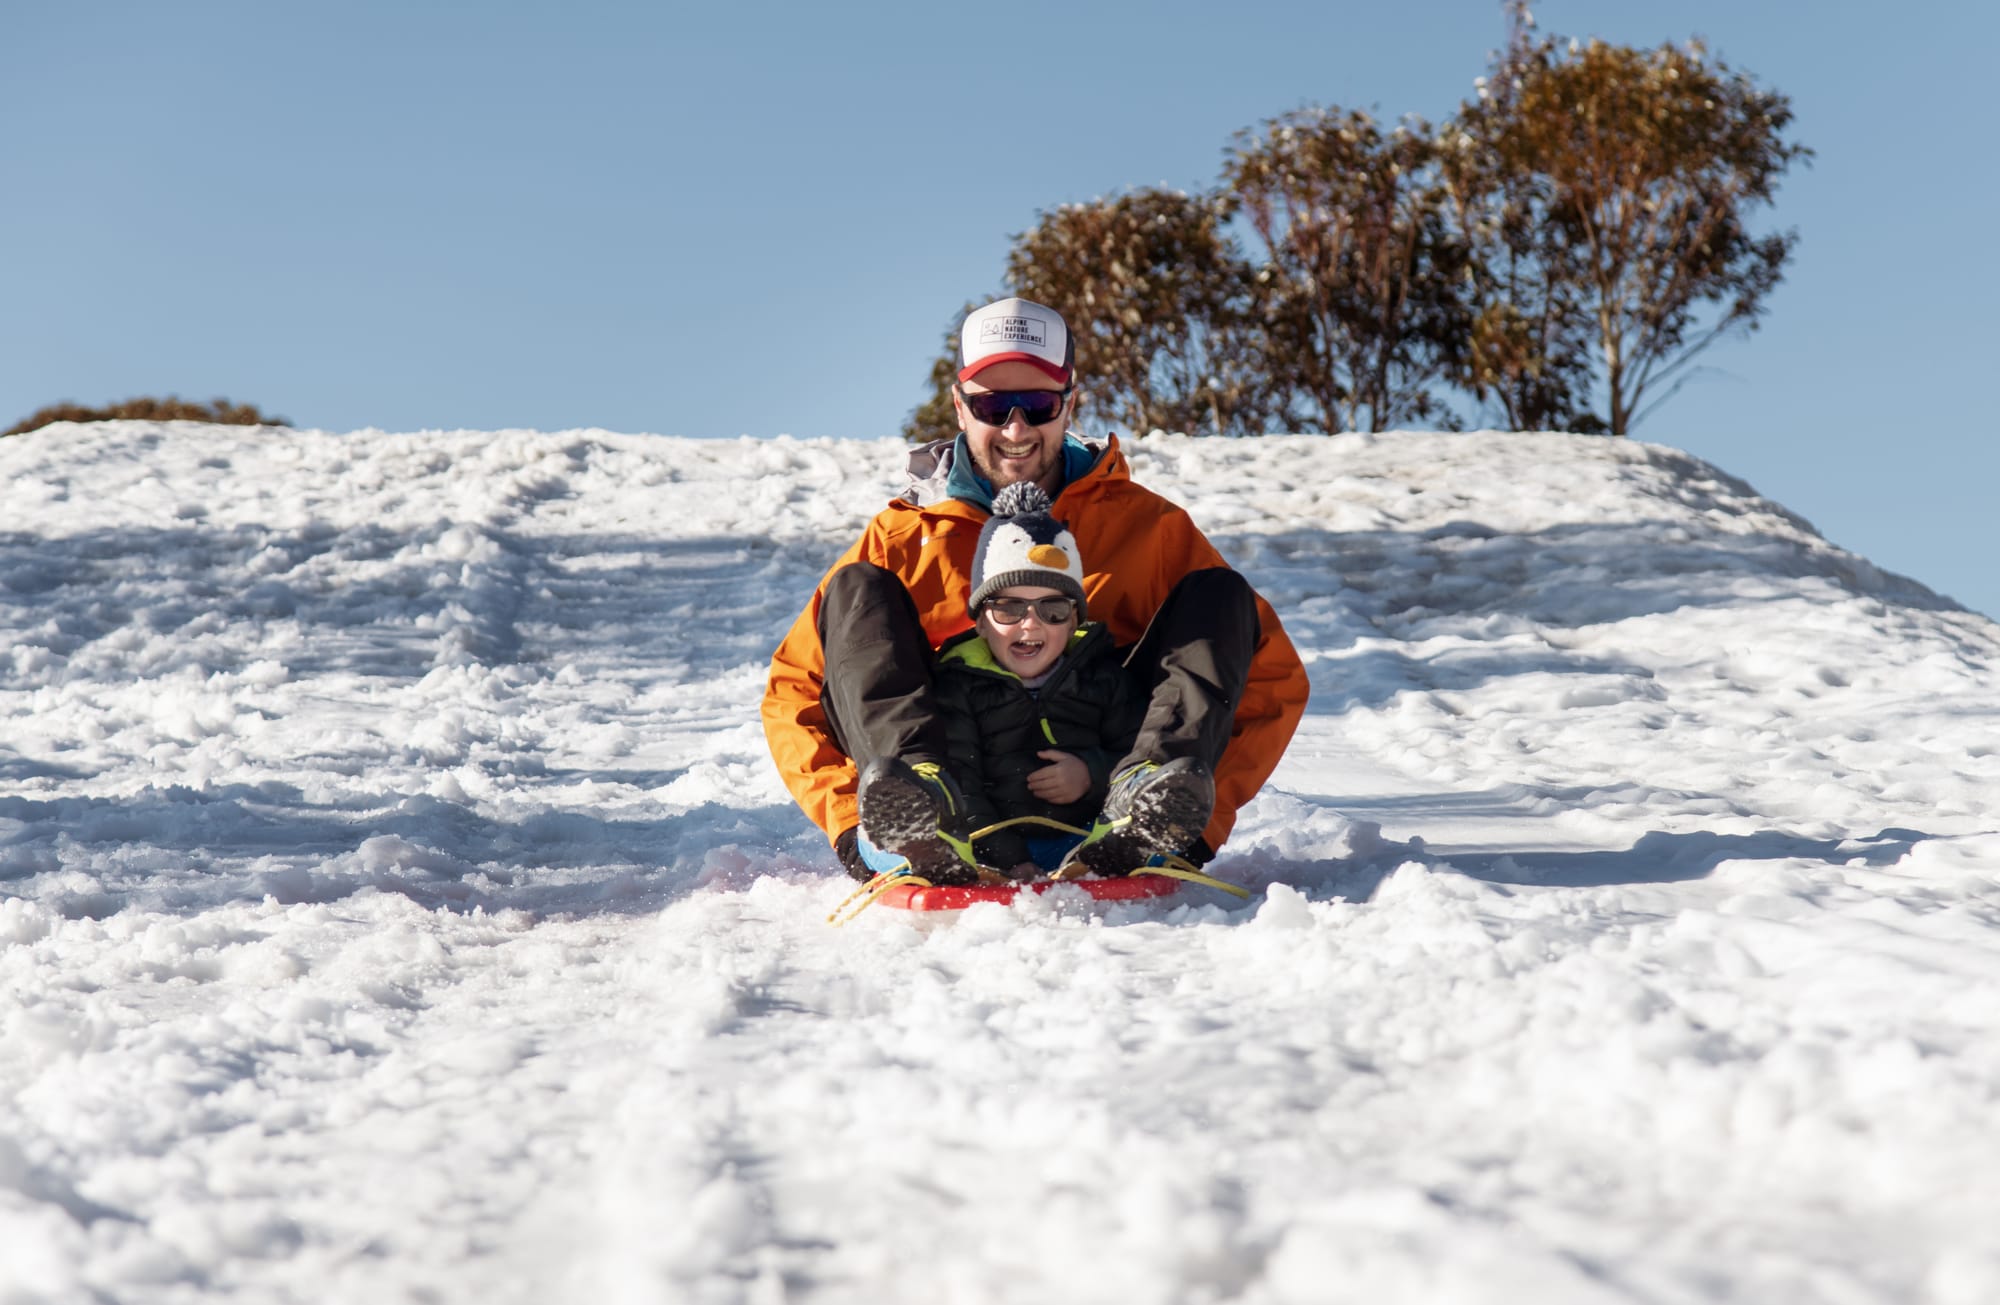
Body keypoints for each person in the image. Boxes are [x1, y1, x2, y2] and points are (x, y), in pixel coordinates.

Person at [761, 296, 1310, 884]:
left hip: (1095, 801)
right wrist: (851, 823)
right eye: (993, 406)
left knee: (1218, 596)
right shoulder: (903, 539)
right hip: (955, 798)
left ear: (1070, 403)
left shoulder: (1146, 528)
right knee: (856, 589)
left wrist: (1196, 823)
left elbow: (1268, 678)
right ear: (959, 406)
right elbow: (798, 693)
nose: (1016, 428)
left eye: (1040, 404)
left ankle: (1145, 808)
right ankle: (917, 820)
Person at [844, 480, 1149, 881]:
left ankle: (1129, 846)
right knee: (930, 812)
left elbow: (1132, 752)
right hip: (979, 843)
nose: (1030, 623)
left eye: (1053, 609)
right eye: (1008, 609)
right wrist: (1005, 858)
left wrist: (1091, 774)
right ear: (980, 624)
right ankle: (927, 850)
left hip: (1082, 841)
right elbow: (962, 777)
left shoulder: (1102, 678)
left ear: (1075, 620)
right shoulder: (961, 684)